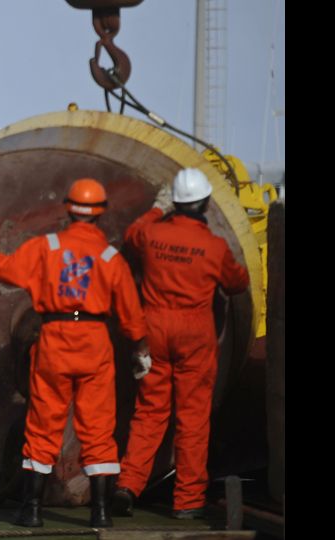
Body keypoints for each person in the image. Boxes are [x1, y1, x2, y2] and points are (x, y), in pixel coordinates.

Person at [0, 178, 149, 528]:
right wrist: (140, 346)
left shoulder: (47, 246)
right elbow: (130, 312)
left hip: (54, 338)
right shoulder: (111, 257)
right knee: (98, 428)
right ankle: (99, 514)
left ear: (69, 208)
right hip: (95, 341)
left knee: (42, 425)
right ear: (100, 213)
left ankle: (32, 510)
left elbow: (7, 271)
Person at [113, 168, 249, 519]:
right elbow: (237, 283)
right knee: (193, 418)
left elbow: (130, 235)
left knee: (149, 412)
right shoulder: (214, 246)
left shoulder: (151, 233)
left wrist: (156, 208)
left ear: (174, 202)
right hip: (194, 334)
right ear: (204, 203)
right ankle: (187, 501)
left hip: (154, 328)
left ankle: (128, 484)